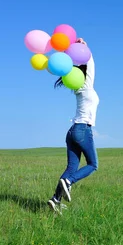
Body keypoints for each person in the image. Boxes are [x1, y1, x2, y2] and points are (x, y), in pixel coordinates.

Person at [48, 38, 100, 212]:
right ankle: (69, 182)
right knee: (93, 165)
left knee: (71, 167)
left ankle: (55, 200)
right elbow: (90, 61)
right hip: (83, 129)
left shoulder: (77, 87)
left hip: (72, 132)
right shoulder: (86, 85)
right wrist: (85, 47)